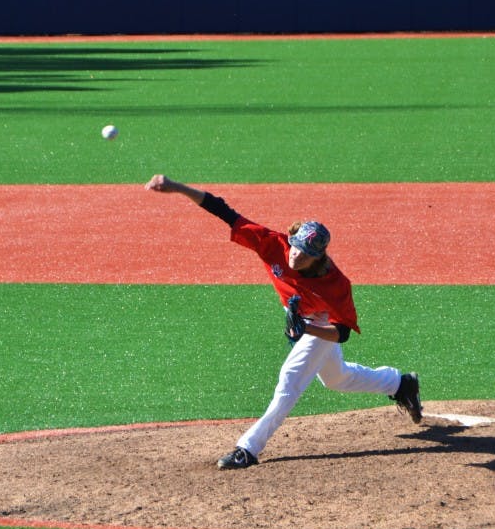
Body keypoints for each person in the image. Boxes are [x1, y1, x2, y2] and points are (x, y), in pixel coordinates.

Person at [145, 174, 422, 469]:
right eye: (296, 247)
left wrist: (308, 330)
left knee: (290, 378)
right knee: (336, 378)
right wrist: (176, 187)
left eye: (306, 255)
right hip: (301, 319)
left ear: (318, 259)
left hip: (320, 322)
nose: (296, 256)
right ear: (292, 239)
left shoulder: (336, 284)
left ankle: (248, 448)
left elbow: (341, 333)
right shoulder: (273, 244)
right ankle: (400, 384)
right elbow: (223, 210)